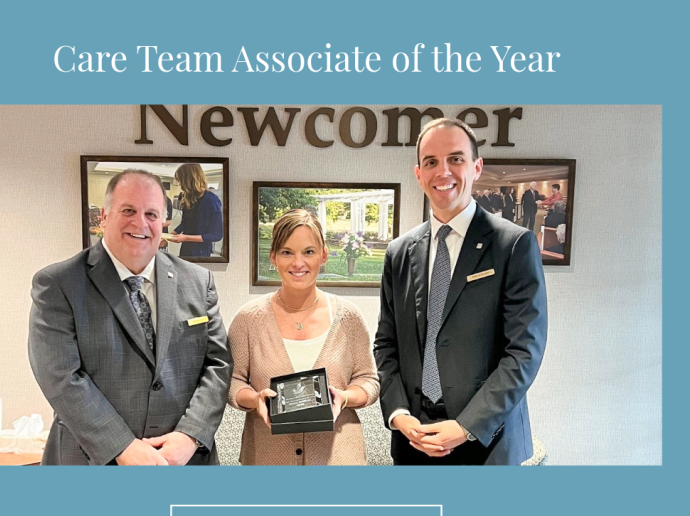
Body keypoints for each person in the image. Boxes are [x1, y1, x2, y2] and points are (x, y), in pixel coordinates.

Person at [29, 169, 233, 465]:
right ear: (104, 216)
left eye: (151, 214)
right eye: (128, 210)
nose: (141, 223)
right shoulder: (59, 284)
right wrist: (121, 446)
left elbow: (218, 364)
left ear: (163, 222)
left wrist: (190, 435)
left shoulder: (198, 282)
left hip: (183, 459)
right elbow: (61, 377)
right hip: (92, 459)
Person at [374, 118, 547, 465]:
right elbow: (386, 344)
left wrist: (467, 426)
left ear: (477, 167)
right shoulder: (399, 252)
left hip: (488, 444)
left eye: (456, 158)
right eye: (431, 162)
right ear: (419, 173)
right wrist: (398, 414)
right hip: (414, 443)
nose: (443, 172)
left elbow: (524, 352)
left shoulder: (513, 245)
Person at [227, 209, 379, 465]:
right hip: (267, 459)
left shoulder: (348, 318)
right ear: (273, 257)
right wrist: (255, 399)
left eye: (308, 252)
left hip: (339, 459)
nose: (298, 263)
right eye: (287, 252)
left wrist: (344, 398)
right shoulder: (248, 319)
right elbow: (232, 381)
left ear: (323, 256)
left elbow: (368, 380)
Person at [165, 163, 223, 258]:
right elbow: (185, 224)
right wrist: (168, 237)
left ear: (188, 180)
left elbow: (216, 235)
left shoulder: (211, 200)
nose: (179, 184)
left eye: (181, 181)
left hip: (201, 252)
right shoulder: (188, 197)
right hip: (186, 248)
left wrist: (186, 238)